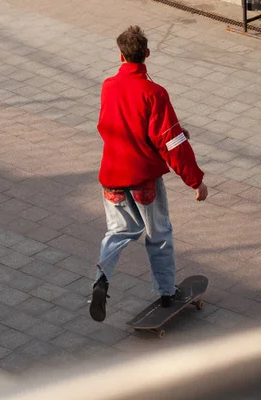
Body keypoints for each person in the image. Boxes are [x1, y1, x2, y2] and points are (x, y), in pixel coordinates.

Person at [89, 26, 208, 322]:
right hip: (144, 179)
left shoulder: (108, 86)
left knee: (118, 232)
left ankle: (101, 279)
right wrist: (196, 180)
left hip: (111, 176)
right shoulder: (154, 93)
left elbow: (113, 126)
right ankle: (168, 292)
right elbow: (170, 143)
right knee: (159, 235)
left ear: (120, 55)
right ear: (147, 54)